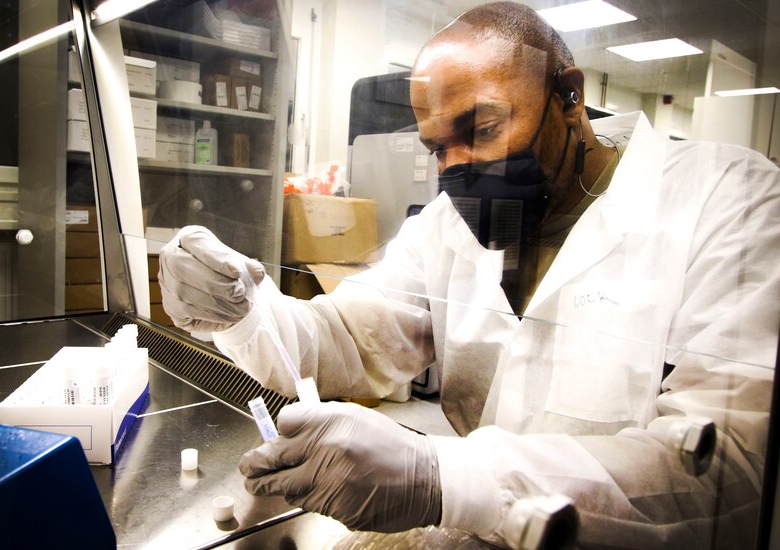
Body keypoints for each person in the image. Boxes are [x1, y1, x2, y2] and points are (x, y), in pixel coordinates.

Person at [158, 2, 780, 547]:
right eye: (437, 149)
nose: (456, 171)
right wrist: (243, 310)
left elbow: (728, 474)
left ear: (568, 94)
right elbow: (346, 337)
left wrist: (443, 478)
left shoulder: (730, 202)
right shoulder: (448, 224)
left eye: (480, 130)